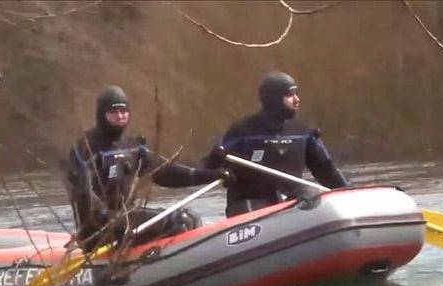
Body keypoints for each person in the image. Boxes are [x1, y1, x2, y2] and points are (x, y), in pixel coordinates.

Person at [63, 85, 233, 249]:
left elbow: (167, 172)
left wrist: (211, 173)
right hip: (98, 229)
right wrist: (107, 220)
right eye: (113, 112)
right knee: (180, 220)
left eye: (124, 111)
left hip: (126, 220)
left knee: (190, 217)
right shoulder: (86, 149)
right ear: (102, 115)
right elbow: (82, 198)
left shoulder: (132, 148)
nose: (120, 116)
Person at [200, 71, 351, 217]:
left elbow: (327, 170)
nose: (297, 99)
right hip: (248, 201)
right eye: (290, 95)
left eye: (296, 94)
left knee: (311, 193)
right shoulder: (243, 130)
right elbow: (210, 165)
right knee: (256, 212)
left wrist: (349, 193)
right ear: (274, 99)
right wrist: (218, 162)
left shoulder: (301, 132)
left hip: (289, 200)